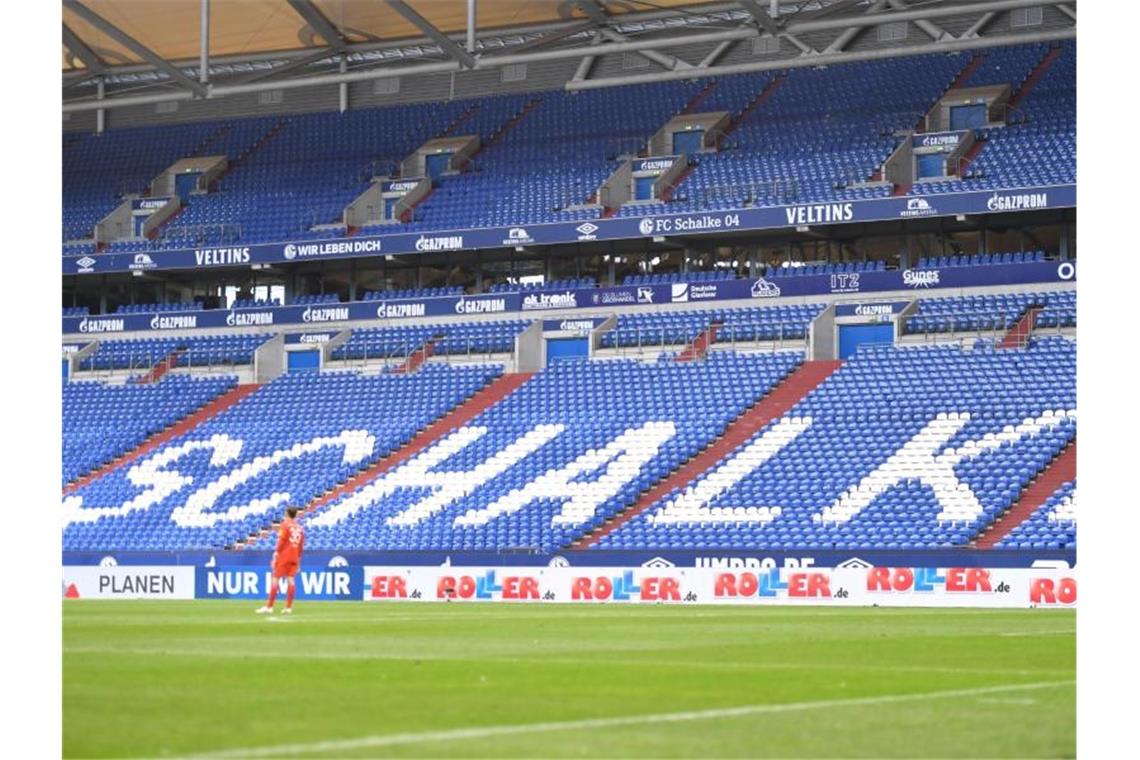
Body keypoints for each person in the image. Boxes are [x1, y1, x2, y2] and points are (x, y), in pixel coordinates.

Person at [256, 507, 305, 615]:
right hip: (294, 556)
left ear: (287, 514)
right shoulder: (300, 528)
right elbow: (301, 546)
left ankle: (269, 607)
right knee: (291, 580)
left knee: (275, 578)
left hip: (284, 555)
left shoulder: (285, 525)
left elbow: (282, 541)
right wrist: (298, 561)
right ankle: (288, 607)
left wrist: (276, 553)